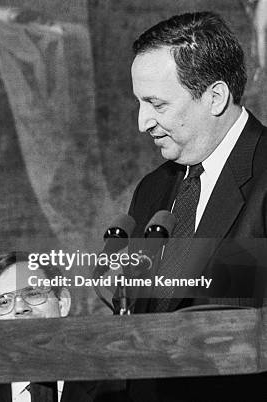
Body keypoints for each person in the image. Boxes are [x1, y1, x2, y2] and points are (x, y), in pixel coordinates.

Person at [126, 11, 267, 401]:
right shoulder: (152, 191)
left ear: (215, 98)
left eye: (157, 104)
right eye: (139, 103)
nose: (142, 122)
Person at [0, 252, 105, 402]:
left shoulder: (115, 392)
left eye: (33, 293)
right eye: (4, 302)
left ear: (62, 303)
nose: (20, 308)